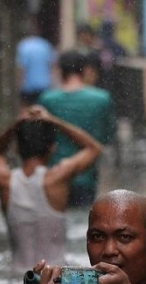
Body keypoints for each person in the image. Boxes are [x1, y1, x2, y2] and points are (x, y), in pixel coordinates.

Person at [0, 106, 102, 271]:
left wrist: (15, 125)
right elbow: (93, 148)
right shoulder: (57, 178)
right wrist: (54, 121)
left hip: (16, 278)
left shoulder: (4, 181)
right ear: (52, 147)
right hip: (56, 278)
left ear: (16, 149)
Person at [39, 50, 116, 208]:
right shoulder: (102, 99)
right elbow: (109, 135)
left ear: (60, 70)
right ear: (85, 70)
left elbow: (39, 139)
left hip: (55, 176)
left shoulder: (47, 100)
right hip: (86, 175)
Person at [16, 18, 56, 106]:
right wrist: (53, 84)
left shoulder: (23, 46)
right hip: (44, 87)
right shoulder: (46, 45)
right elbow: (52, 66)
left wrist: (19, 85)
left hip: (28, 88)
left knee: (28, 113)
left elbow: (21, 68)